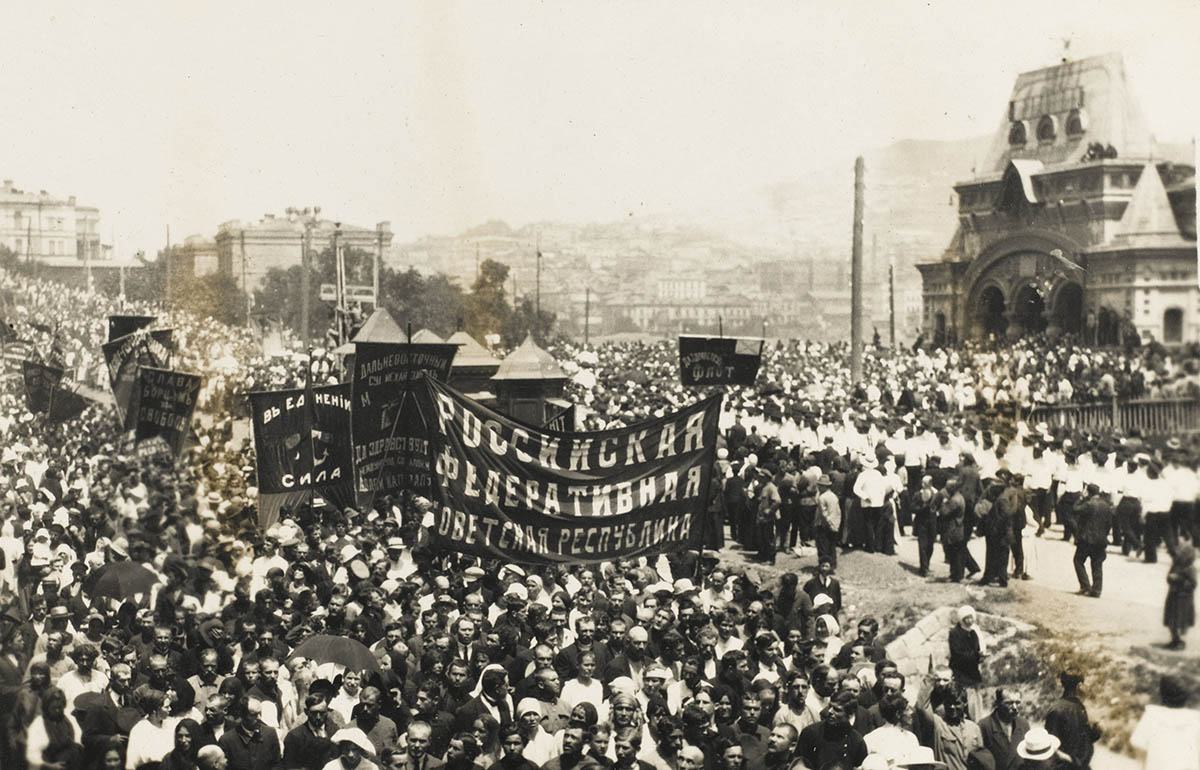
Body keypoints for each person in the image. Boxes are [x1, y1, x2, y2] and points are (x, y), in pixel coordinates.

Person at [1129, 674, 1200, 770]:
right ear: (1186, 697)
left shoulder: (1152, 715)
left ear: (1160, 694)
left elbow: (1138, 743)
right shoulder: (1195, 718)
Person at [1042, 672, 1099, 769]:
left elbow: (1084, 741)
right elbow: (1051, 749)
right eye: (1085, 684)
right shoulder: (1060, 709)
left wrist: (1097, 730)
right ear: (1079, 686)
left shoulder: (1078, 707)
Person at [1072, 484, 1113, 598]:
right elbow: (1109, 524)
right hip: (1101, 540)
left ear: (1088, 492)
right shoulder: (1106, 505)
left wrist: (1081, 498)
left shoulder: (1089, 504)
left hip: (1087, 539)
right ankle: (1096, 590)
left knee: (1078, 561)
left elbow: (1075, 509)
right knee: (1097, 564)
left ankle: (1085, 586)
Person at [977, 689, 1029, 770]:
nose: (1015, 707)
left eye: (1017, 703)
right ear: (998, 703)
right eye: (1009, 703)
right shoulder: (984, 726)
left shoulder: (1024, 725)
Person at [1165, 534, 1196, 650]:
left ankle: (1179, 641)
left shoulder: (1190, 569)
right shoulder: (1175, 565)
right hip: (1173, 596)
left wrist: (1178, 579)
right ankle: (1174, 639)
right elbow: (1168, 577)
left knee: (1180, 622)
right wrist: (1170, 578)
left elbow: (1192, 584)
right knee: (1171, 621)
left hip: (1183, 599)